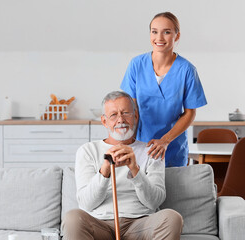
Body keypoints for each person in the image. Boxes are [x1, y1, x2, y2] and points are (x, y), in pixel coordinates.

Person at [61, 91, 183, 240]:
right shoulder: (88, 151)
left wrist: (135, 170)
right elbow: (86, 203)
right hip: (99, 224)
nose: (120, 120)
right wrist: (104, 170)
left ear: (135, 116)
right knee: (72, 218)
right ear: (104, 121)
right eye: (113, 115)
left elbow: (154, 202)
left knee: (172, 217)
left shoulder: (151, 151)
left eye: (126, 113)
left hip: (140, 224)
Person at [120, 12, 207, 167]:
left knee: (173, 191)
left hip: (172, 148)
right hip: (140, 146)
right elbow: (131, 109)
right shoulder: (136, 65)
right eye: (154, 31)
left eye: (166, 32)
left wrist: (165, 140)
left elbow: (190, 113)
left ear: (177, 36)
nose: (159, 38)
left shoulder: (187, 70)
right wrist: (127, 142)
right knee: (140, 189)